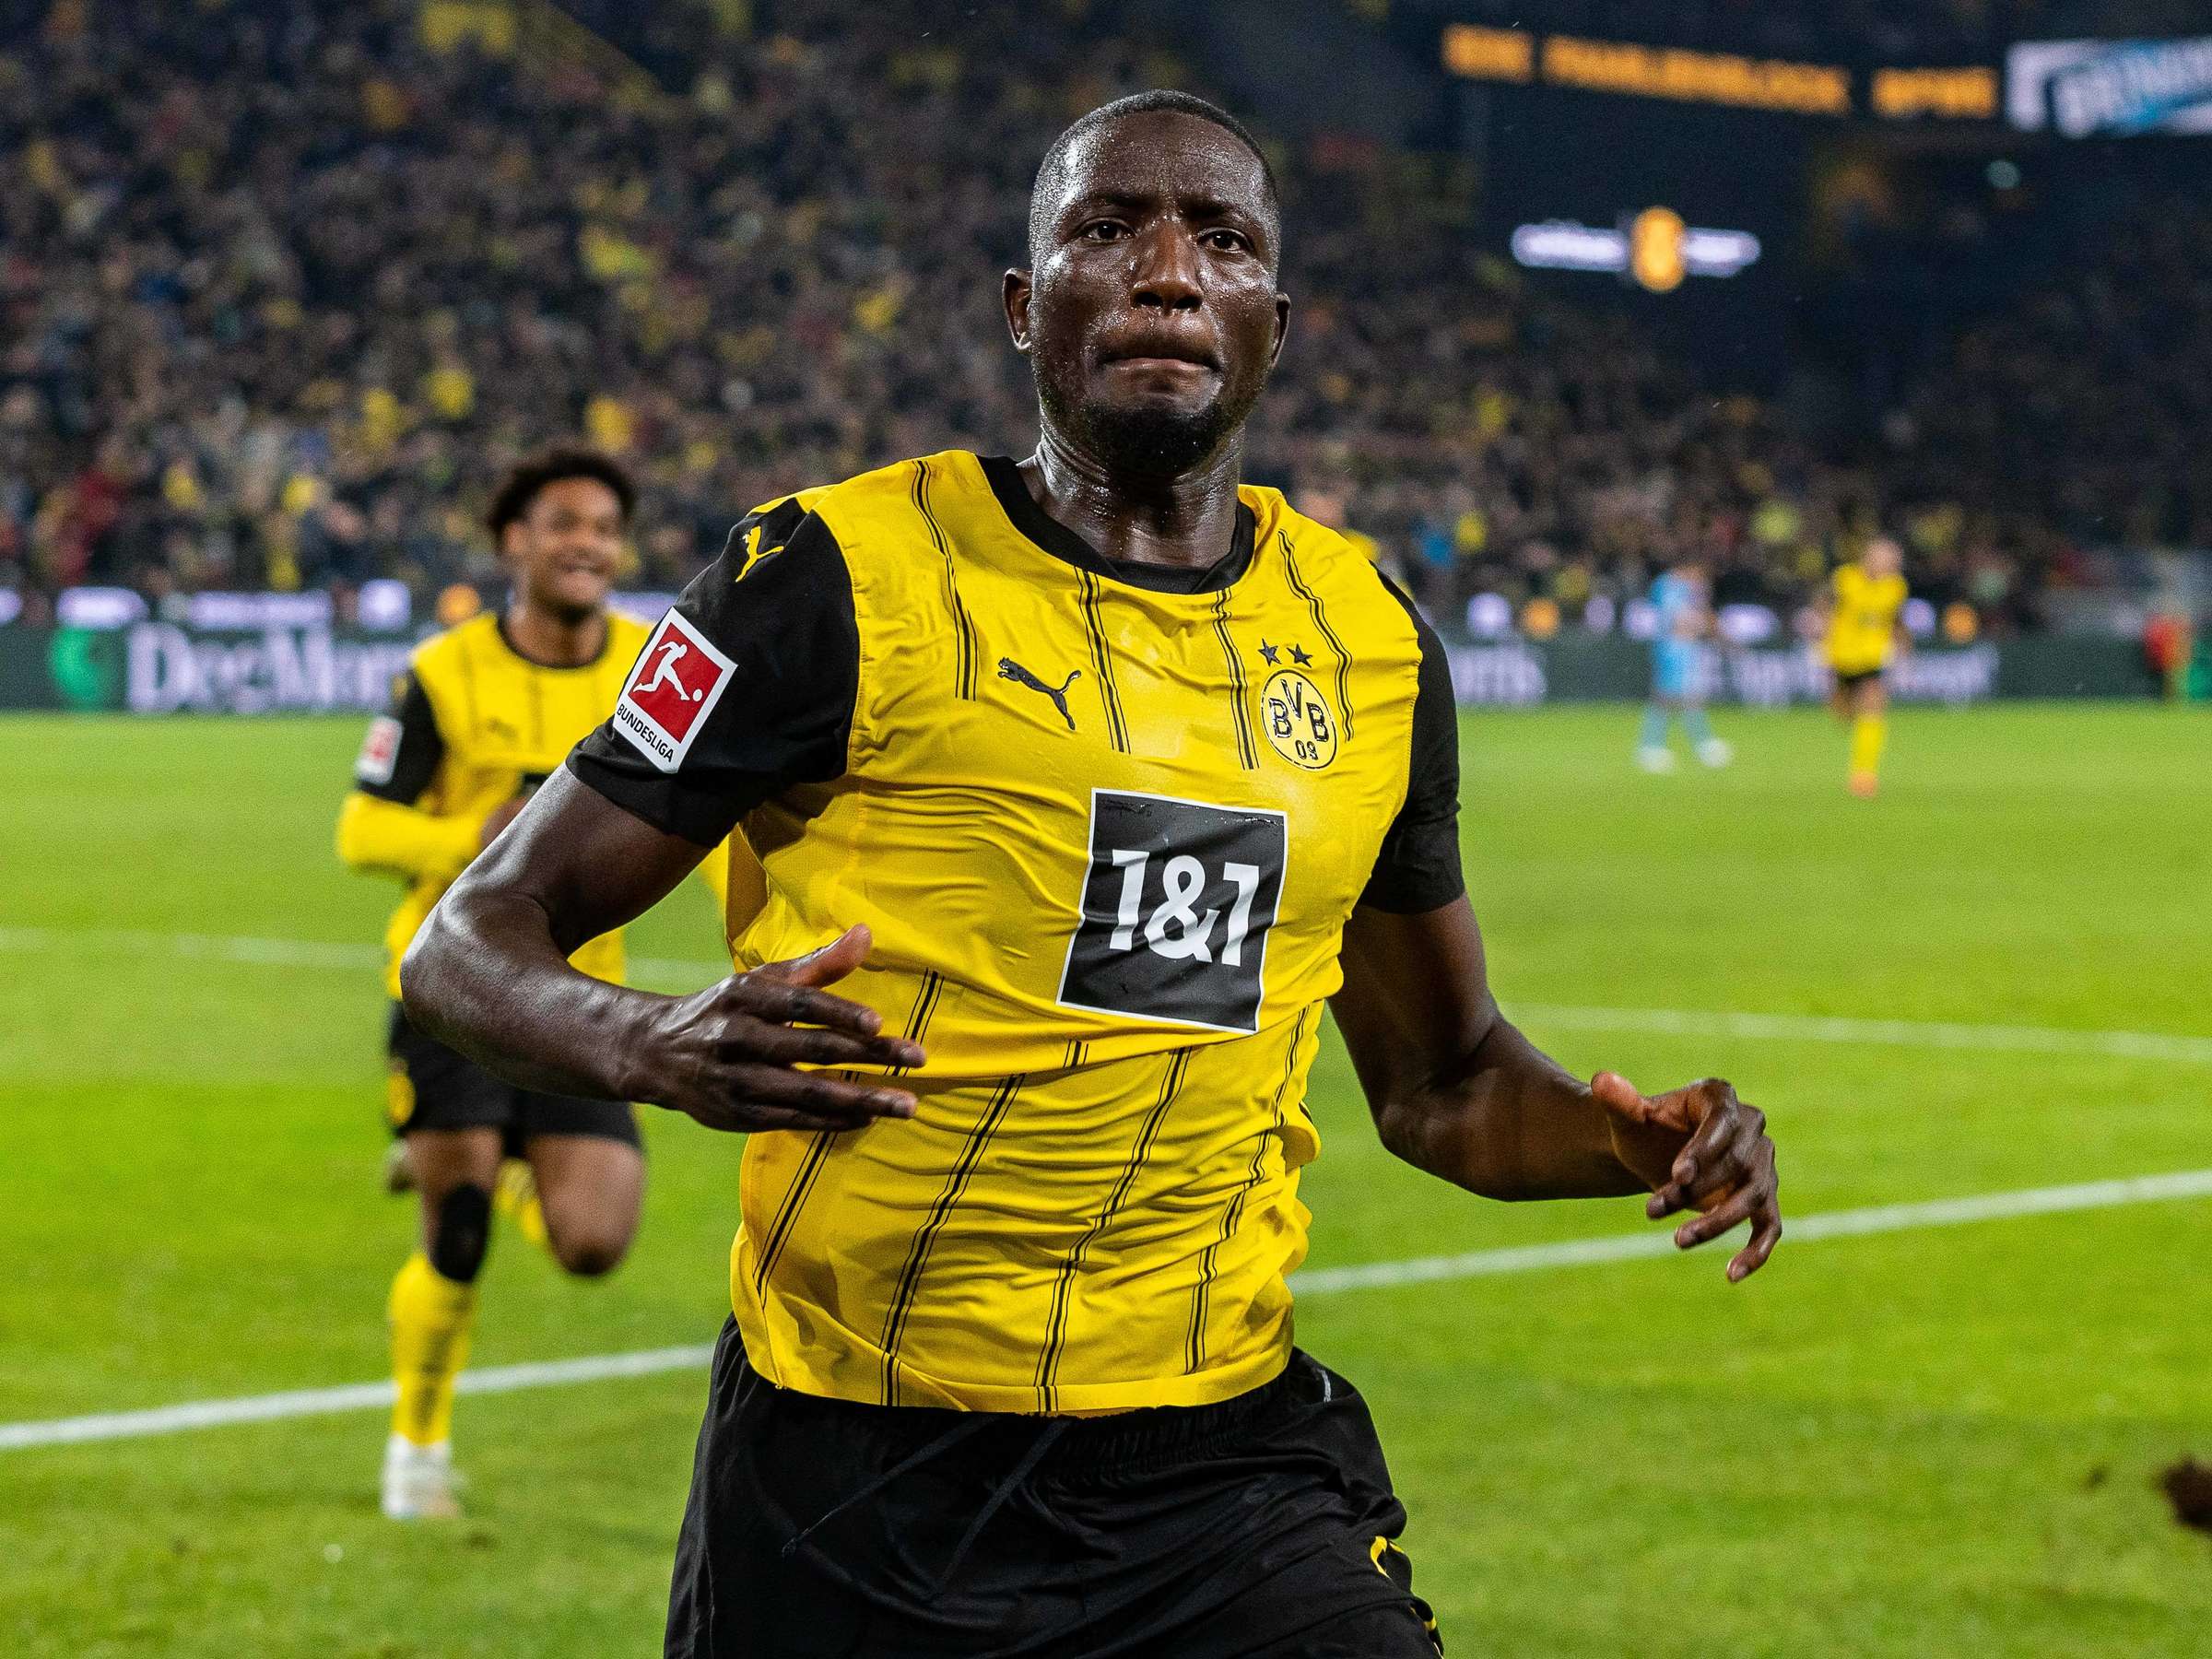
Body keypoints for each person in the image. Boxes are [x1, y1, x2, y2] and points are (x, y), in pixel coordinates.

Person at [403, 92, 1783, 1654]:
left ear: (1276, 323)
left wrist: (1635, 1140)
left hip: (1217, 1480)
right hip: (854, 1471)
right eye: (1110, 228)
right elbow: (468, 940)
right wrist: (649, 1042)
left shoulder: (1370, 641)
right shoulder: (829, 580)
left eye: (1224, 240)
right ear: (1024, 304)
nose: (1170, 272)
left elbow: (1443, 1082)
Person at [336, 446, 732, 1520]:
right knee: (456, 1229)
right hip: (452, 987)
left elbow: (720, 808)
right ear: (515, 542)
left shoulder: (657, 667)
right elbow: (360, 827)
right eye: (563, 523)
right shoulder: (442, 673)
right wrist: (468, 837)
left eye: (604, 527)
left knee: (593, 1244)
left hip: (581, 1000)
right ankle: (417, 1447)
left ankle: (502, 1162)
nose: (586, 544)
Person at [1821, 536, 1909, 798]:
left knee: (1873, 705)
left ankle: (1864, 775)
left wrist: (1903, 642)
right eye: (1885, 559)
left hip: (1872, 657)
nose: (1889, 565)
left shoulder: (1896, 587)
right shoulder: (1844, 579)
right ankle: (1850, 713)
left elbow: (1894, 618)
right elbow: (1825, 607)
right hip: (1841, 656)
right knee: (1843, 714)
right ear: (1868, 558)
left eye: (1893, 561)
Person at [1637, 558, 1731, 772]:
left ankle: (1699, 744)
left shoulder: (1675, 586)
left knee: (1684, 697)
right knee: (1668, 697)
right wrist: (1704, 626)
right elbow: (1677, 621)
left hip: (1682, 647)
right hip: (1674, 648)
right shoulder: (1670, 587)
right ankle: (1653, 747)